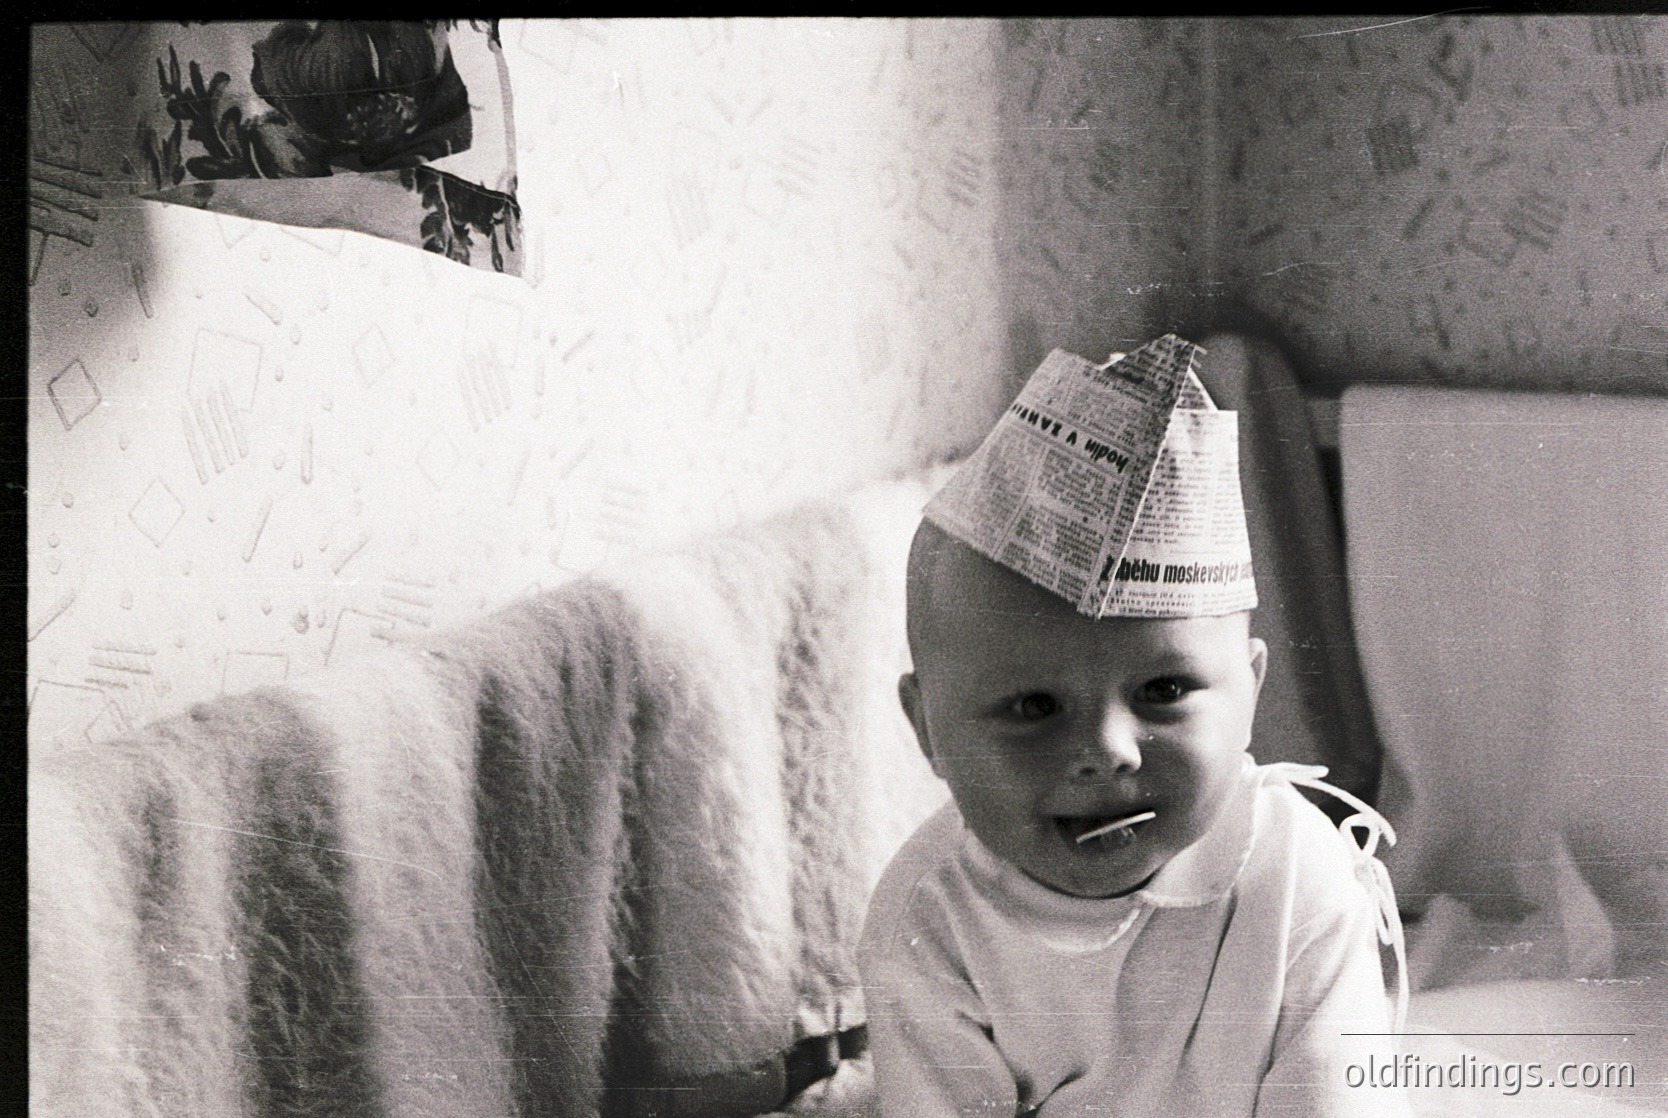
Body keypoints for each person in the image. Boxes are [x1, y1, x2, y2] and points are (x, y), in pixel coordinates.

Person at [857, 336, 1408, 1116]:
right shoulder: (928, 920)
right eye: (1033, 707)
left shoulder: (1301, 877)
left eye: (1164, 688)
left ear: (1250, 690)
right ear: (928, 730)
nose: (1109, 752)